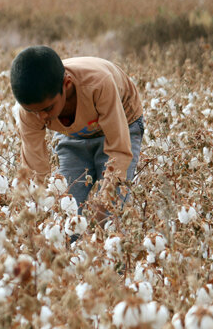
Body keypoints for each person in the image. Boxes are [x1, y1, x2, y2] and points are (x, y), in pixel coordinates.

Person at [9, 45, 143, 214]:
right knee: (63, 211)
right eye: (33, 111)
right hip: (75, 134)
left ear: (67, 84)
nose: (41, 118)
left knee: (109, 213)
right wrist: (36, 210)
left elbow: (119, 149)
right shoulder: (31, 110)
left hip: (123, 123)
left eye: (48, 109)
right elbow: (35, 169)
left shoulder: (99, 84)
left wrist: (106, 196)